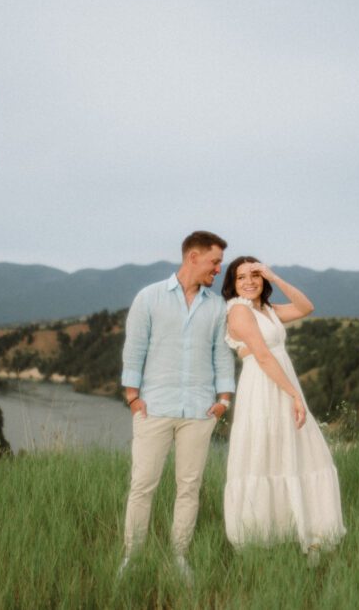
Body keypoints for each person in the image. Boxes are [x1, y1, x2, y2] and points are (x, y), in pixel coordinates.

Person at [119, 231, 236, 582]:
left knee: (189, 487)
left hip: (199, 412)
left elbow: (221, 353)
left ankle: (179, 556)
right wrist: (132, 397)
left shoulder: (216, 305)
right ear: (193, 257)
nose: (219, 269)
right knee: (143, 485)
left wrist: (224, 399)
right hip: (153, 407)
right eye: (215, 262)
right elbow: (134, 349)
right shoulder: (149, 298)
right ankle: (132, 558)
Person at [221, 257, 345, 562]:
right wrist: (294, 395)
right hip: (264, 386)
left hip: (282, 380)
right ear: (232, 284)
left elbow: (306, 307)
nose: (249, 282)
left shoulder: (267, 310)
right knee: (264, 456)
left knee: (299, 452)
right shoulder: (238, 310)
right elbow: (262, 356)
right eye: (241, 277)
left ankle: (308, 532)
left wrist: (275, 277)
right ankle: (260, 538)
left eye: (255, 275)